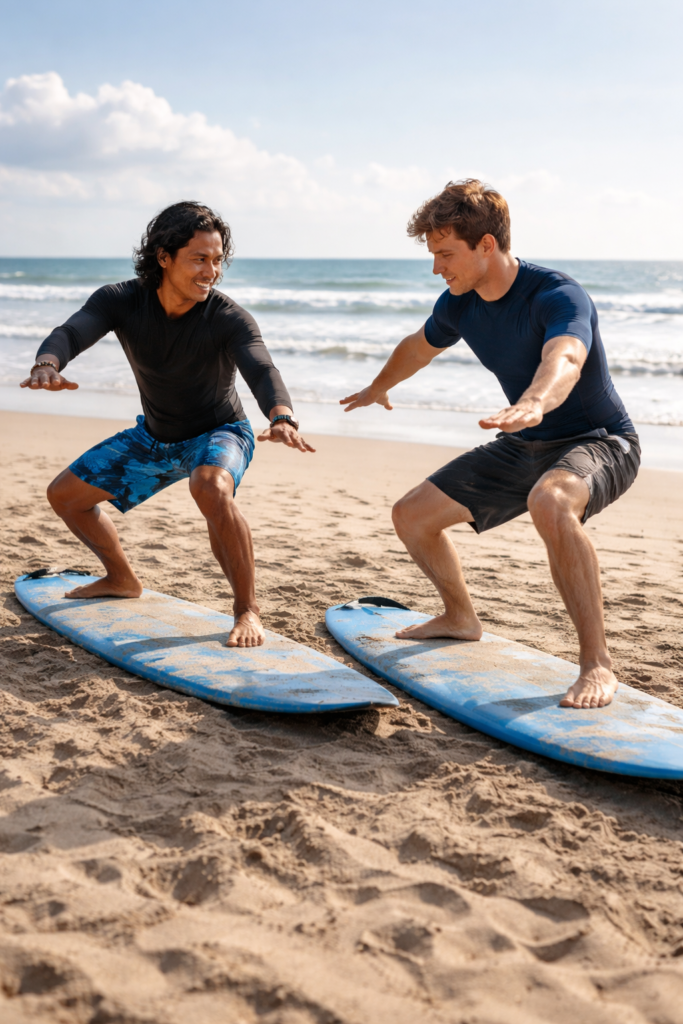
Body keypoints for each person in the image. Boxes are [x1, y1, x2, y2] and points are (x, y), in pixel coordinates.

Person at [341, 179, 639, 709]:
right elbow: (418, 346)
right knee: (411, 515)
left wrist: (535, 401)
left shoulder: (558, 295)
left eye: (445, 254)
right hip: (526, 440)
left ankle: (597, 664)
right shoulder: (459, 302)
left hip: (599, 440)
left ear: (486, 244)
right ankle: (460, 617)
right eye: (433, 255)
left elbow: (566, 357)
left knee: (550, 501)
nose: (437, 268)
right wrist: (379, 386)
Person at [21, 201, 314, 648]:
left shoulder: (228, 317)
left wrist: (282, 416)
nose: (211, 271)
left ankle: (247, 611)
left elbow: (261, 368)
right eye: (199, 258)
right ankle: (120, 578)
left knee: (211, 487)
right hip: (154, 438)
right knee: (64, 496)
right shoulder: (120, 300)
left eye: (217, 260)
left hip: (220, 432)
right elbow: (73, 331)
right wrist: (48, 362)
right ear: (164, 257)